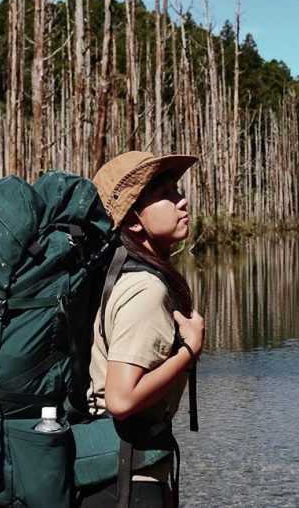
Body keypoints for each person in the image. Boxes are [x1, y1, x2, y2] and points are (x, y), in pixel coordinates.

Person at [80, 151, 206, 508]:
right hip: (128, 482)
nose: (182, 201)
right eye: (165, 194)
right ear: (134, 220)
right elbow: (121, 399)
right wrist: (189, 351)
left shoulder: (117, 275)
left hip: (112, 475)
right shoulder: (145, 289)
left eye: (178, 190)